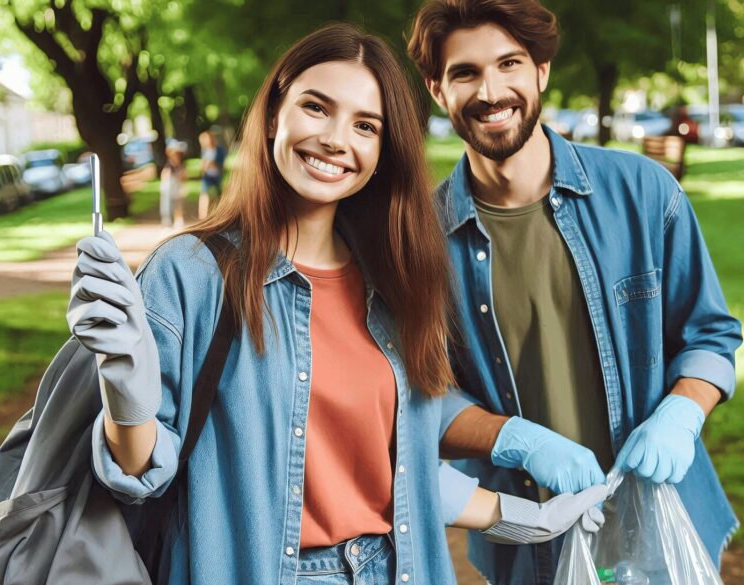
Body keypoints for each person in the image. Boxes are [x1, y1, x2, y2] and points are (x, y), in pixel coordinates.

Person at [66, 23, 606, 584]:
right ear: (276, 113)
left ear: (383, 150)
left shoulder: (395, 278)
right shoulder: (193, 272)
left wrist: (526, 517)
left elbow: (398, 462)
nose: (335, 138)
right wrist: (125, 390)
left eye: (365, 125)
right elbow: (136, 474)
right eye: (316, 108)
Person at [407, 1, 744, 583]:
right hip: (530, 540)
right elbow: (416, 396)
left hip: (667, 525)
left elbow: (709, 334)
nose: (491, 90)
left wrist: (683, 414)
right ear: (438, 89)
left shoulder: (643, 192)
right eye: (465, 73)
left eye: (509, 63)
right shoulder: (418, 243)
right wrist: (514, 439)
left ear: (540, 70)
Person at [197, 131, 227, 219]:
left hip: (217, 175)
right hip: (207, 176)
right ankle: (202, 216)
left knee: (218, 196)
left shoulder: (220, 150)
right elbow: (203, 165)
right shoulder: (205, 151)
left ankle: (218, 215)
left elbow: (220, 165)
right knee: (204, 195)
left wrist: (211, 163)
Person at [159, 142, 187, 228]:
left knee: (178, 204)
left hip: (176, 187)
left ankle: (178, 220)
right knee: (167, 204)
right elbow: (164, 175)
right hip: (169, 187)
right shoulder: (169, 165)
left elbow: (183, 176)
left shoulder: (180, 165)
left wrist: (183, 185)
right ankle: (167, 221)